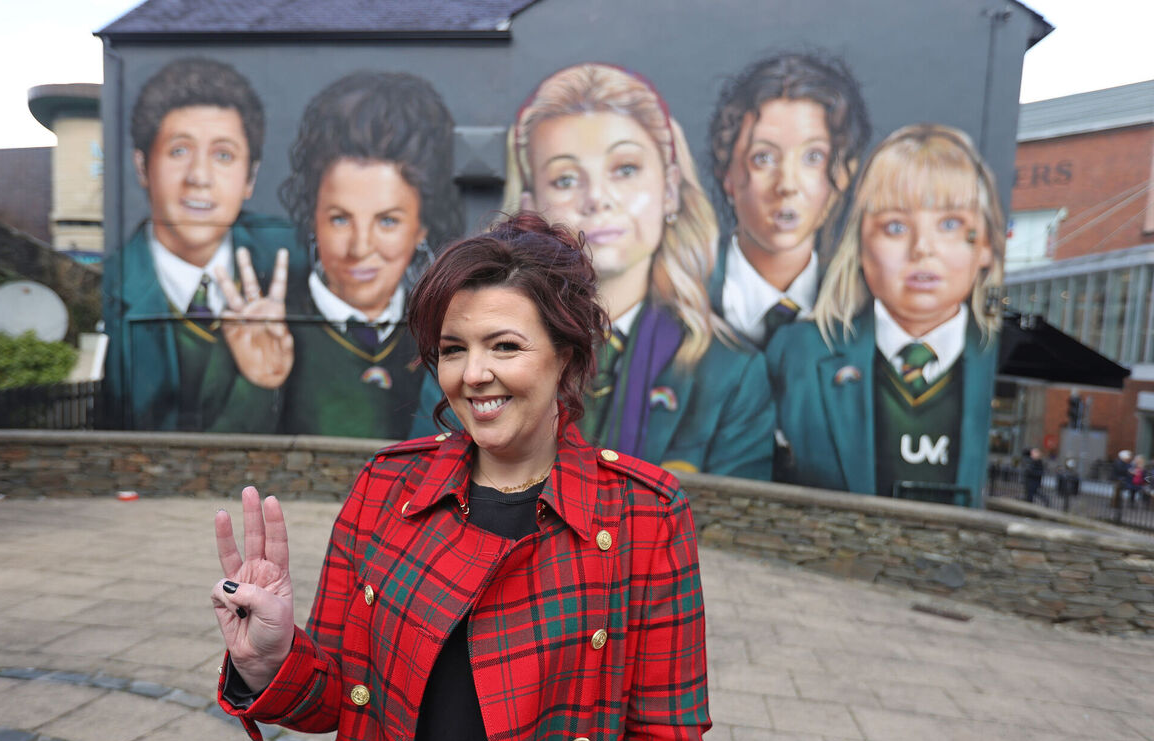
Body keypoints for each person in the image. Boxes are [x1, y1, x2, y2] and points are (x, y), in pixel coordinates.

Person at [210, 214, 710, 741]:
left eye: (504, 346)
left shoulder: (645, 515)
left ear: (567, 357)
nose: (474, 374)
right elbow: (334, 700)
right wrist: (272, 658)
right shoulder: (385, 487)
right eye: (453, 350)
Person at [414, 62, 774, 478]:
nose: (597, 198)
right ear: (530, 203)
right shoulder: (465, 357)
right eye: (566, 179)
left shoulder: (732, 373)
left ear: (670, 188)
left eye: (625, 169)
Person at [766, 124, 1005, 505]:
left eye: (950, 224)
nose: (922, 248)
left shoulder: (997, 356)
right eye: (895, 227)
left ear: (988, 246)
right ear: (860, 244)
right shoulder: (798, 354)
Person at [101, 57, 305, 432]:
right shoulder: (107, 287)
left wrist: (263, 382)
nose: (199, 177)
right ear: (142, 166)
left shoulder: (302, 259)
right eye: (179, 150)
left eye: (223, 155)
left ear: (250, 177)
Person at [270, 71, 462, 438]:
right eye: (340, 219)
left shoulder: (444, 335)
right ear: (313, 218)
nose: (360, 248)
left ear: (421, 226)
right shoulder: (266, 328)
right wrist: (258, 385)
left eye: (387, 221)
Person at [707, 52, 870, 350]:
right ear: (727, 173)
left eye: (813, 157)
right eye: (763, 158)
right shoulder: (679, 295)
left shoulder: (864, 309)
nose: (787, 185)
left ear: (844, 174)